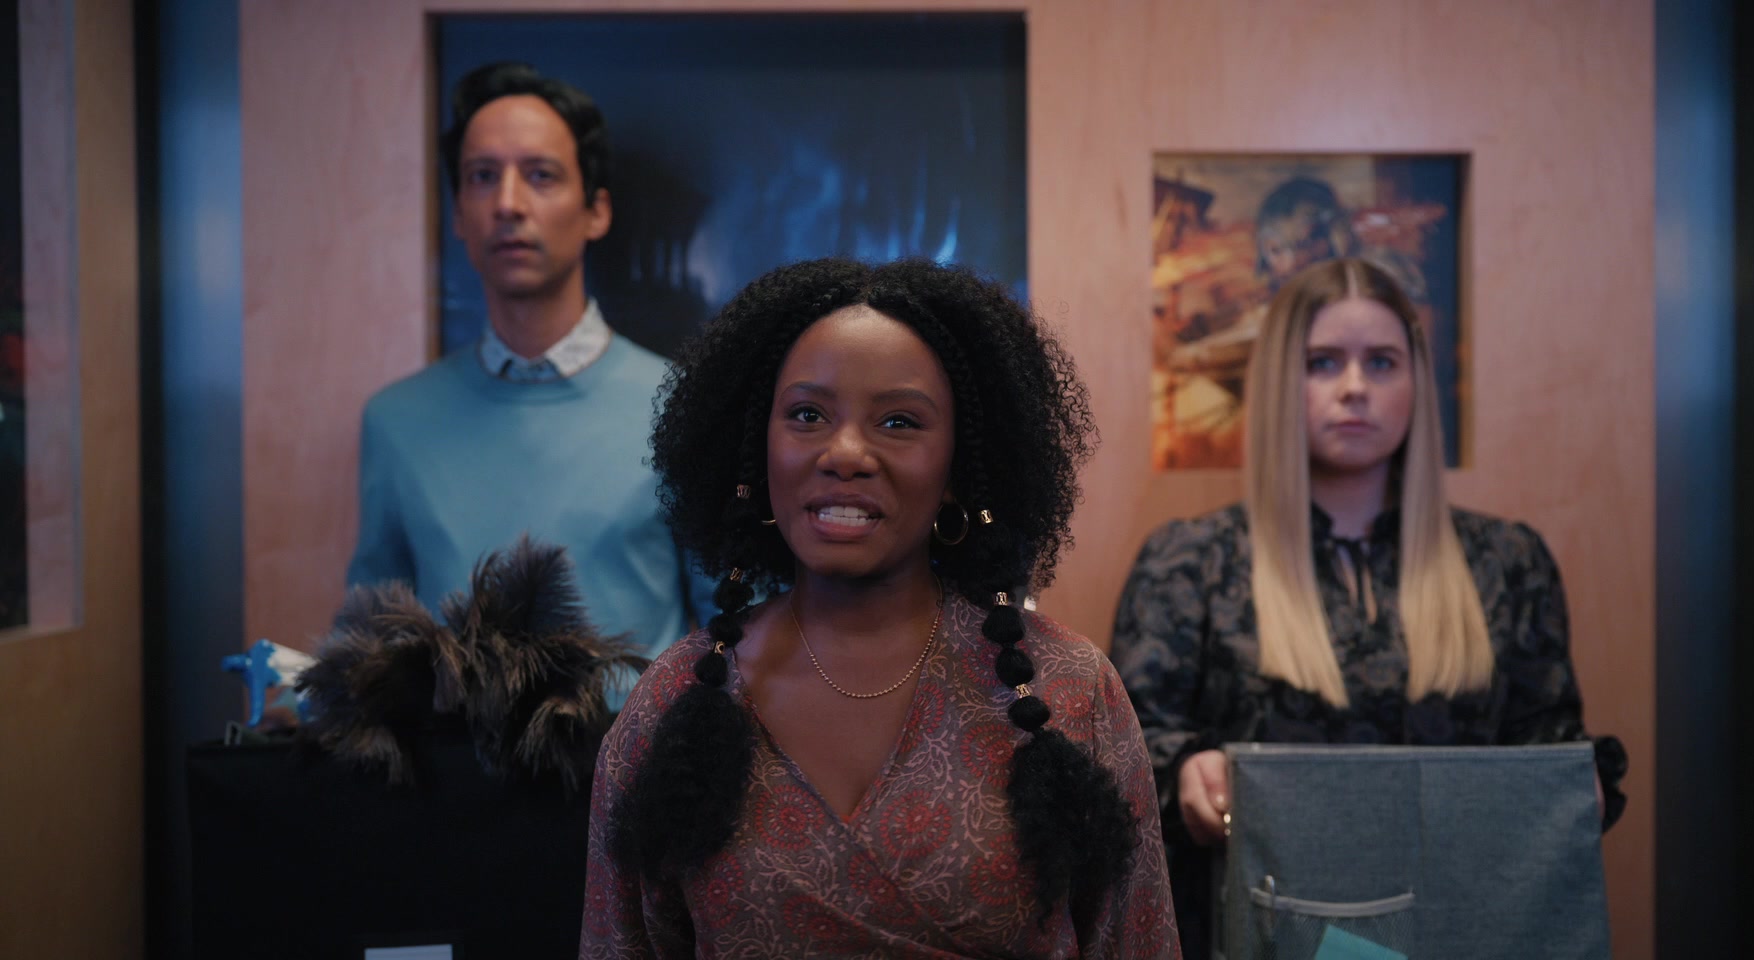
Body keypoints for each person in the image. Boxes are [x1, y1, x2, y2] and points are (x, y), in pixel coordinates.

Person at [579, 258, 1179, 958]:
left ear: (960, 468)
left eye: (899, 421)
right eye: (807, 415)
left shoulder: (1071, 690)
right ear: (755, 448)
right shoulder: (670, 704)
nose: (845, 453)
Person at [1112, 257, 1627, 958]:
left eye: (1381, 362)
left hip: (1468, 932)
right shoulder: (1189, 562)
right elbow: (1132, 751)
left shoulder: (1508, 562)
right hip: (1269, 934)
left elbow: (1548, 739)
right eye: (1322, 362)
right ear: (1278, 383)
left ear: (1417, 383)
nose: (1355, 387)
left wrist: (1573, 785)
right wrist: (1184, 774)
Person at [346, 63, 709, 685]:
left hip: (638, 745)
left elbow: (738, 635)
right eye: (482, 176)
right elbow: (366, 650)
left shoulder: (685, 406)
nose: (508, 204)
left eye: (541, 175)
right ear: (458, 213)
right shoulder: (396, 421)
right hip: (450, 746)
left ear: (596, 211)